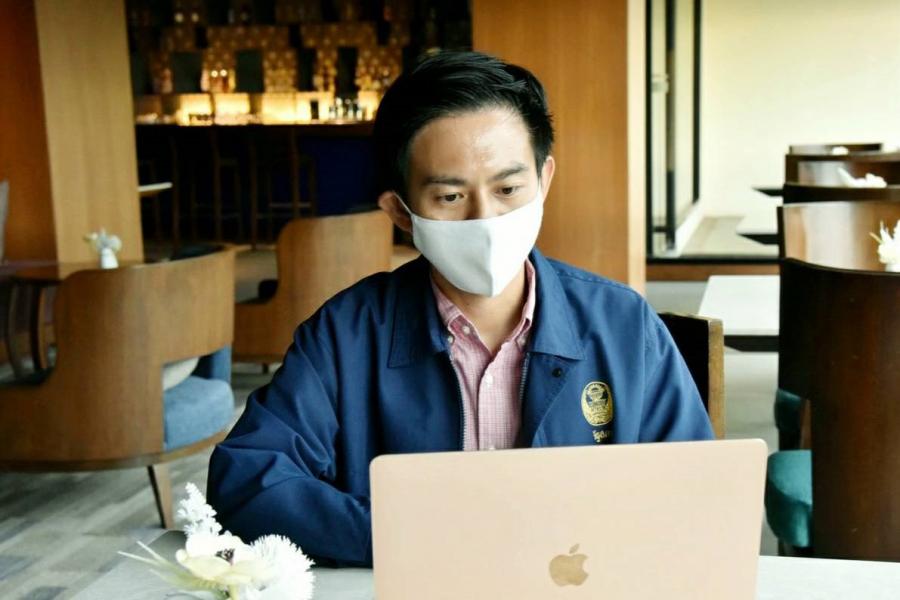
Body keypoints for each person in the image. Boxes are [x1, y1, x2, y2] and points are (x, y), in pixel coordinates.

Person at [207, 51, 713, 566]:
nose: (485, 218)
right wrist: (413, 535)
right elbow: (249, 480)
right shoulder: (346, 334)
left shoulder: (623, 324)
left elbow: (694, 490)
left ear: (545, 180)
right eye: (450, 197)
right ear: (400, 212)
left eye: (508, 189)